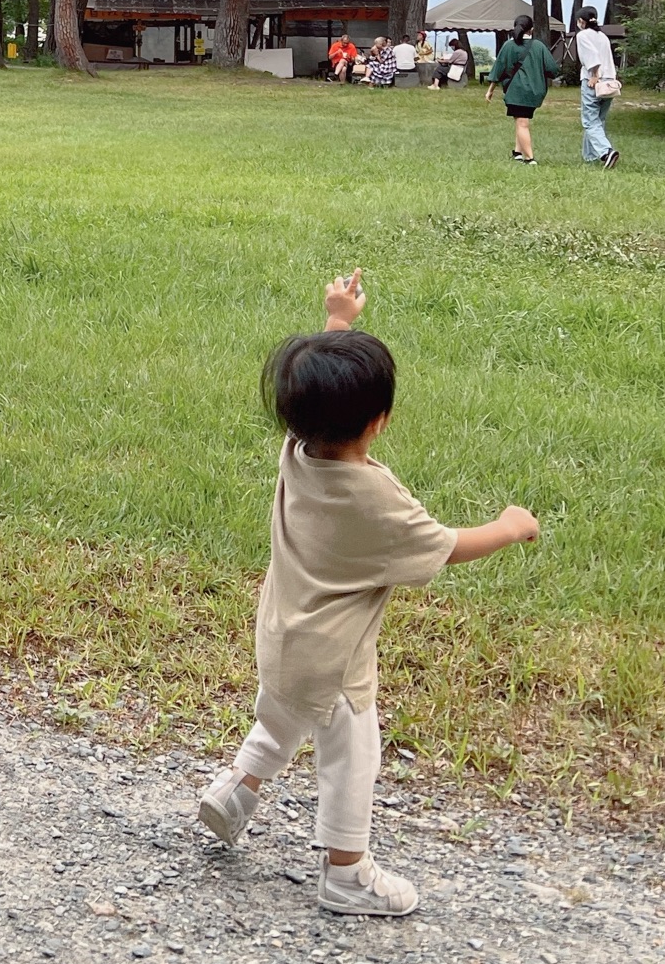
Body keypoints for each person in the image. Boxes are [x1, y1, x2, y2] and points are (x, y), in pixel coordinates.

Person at [195, 270, 539, 917]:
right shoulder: (373, 503)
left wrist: (338, 322)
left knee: (281, 717)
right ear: (379, 421)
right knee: (354, 757)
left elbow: (315, 395)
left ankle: (236, 789)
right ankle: (347, 873)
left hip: (282, 634)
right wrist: (508, 526)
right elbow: (445, 545)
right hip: (336, 664)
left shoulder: (297, 452)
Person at [488, 13, 560, 165]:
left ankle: (529, 159)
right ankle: (517, 152)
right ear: (532, 29)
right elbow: (552, 69)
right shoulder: (539, 46)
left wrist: (490, 90)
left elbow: (498, 68)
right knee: (521, 120)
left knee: (522, 123)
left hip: (516, 90)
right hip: (535, 91)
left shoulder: (509, 45)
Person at [573, 7, 621, 168]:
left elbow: (591, 57)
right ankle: (590, 156)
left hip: (594, 82)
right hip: (609, 82)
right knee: (599, 120)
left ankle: (606, 151)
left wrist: (594, 75)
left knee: (589, 121)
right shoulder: (603, 37)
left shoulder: (582, 35)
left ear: (581, 21)